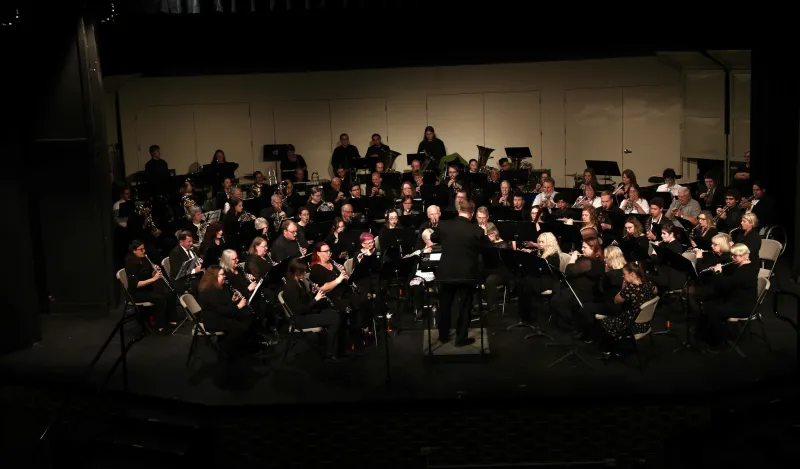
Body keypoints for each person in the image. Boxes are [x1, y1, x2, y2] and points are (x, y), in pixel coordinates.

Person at [436, 200, 492, 346]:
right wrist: (484, 234)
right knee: (464, 306)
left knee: (445, 305)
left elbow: (433, 238)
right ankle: (460, 338)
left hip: (446, 273)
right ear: (472, 214)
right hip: (466, 274)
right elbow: (487, 248)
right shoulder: (476, 230)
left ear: (458, 210)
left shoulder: (444, 225)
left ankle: (443, 335)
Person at [281, 258, 347, 362]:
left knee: (332, 313)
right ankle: (329, 353)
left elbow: (305, 302)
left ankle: (333, 347)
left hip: (306, 314)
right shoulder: (291, 286)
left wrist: (312, 293)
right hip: (299, 319)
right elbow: (299, 310)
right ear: (297, 272)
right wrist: (316, 299)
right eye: (303, 271)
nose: (306, 273)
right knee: (334, 319)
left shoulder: (300, 283)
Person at [197, 265, 256, 358]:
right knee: (241, 326)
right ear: (214, 277)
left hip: (218, 315)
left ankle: (239, 346)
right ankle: (225, 348)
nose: (224, 276)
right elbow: (222, 310)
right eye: (222, 274)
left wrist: (232, 300)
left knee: (246, 317)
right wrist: (238, 306)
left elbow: (221, 305)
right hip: (213, 320)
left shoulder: (215, 287)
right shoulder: (210, 291)